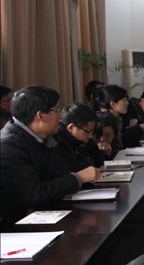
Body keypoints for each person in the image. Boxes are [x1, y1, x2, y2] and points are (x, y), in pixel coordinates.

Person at [0, 86, 99, 224]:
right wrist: (79, 178)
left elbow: (62, 172)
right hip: (16, 224)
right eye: (56, 110)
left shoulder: (46, 136)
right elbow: (33, 194)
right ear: (40, 116)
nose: (60, 117)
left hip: (46, 213)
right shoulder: (8, 146)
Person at [97, 84, 144, 150]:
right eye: (124, 100)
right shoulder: (104, 121)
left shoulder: (118, 118)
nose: (127, 103)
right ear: (112, 104)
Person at [55, 104, 106, 169]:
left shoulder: (80, 140)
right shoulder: (58, 143)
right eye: (88, 131)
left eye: (92, 131)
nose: (90, 136)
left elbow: (97, 163)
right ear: (71, 128)